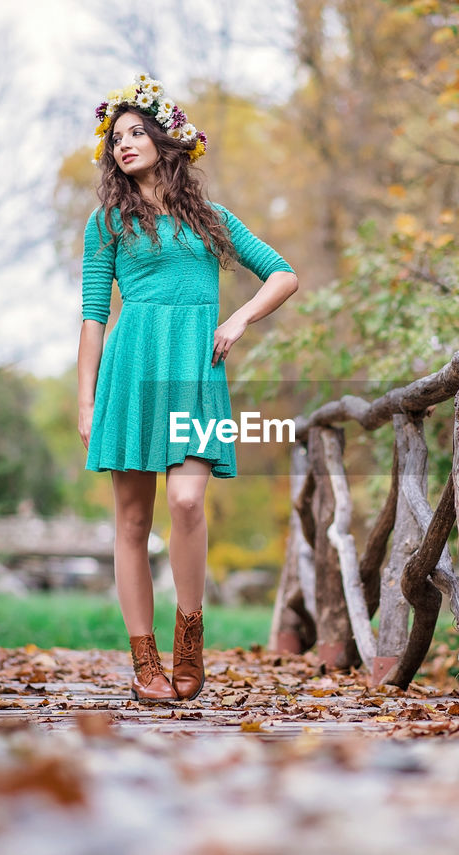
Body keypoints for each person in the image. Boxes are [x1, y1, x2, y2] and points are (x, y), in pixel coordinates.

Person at [77, 74, 298, 703]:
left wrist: (238, 318)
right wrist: (87, 398)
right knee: (130, 520)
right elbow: (94, 315)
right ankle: (145, 659)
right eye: (115, 137)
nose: (123, 144)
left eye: (135, 133)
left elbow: (283, 274)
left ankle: (190, 639)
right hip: (130, 373)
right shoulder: (107, 223)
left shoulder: (212, 219)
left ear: (165, 140)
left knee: (186, 503)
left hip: (196, 375)